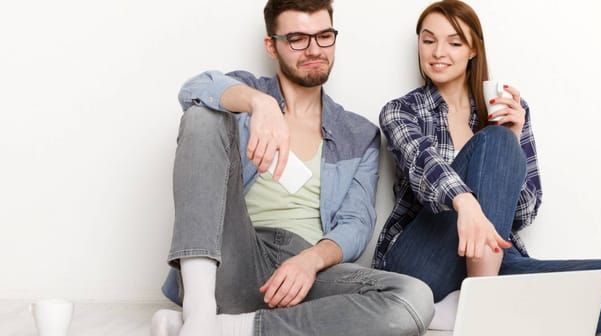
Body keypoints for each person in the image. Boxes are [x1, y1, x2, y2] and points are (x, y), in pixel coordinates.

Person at [150, 0, 434, 335]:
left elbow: (356, 223)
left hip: (306, 270)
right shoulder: (245, 98)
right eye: (297, 39)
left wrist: (310, 261)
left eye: (323, 36)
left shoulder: (358, 134)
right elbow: (194, 89)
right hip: (236, 258)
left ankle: (226, 329)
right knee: (202, 114)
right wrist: (260, 104)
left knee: (414, 297)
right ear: (272, 45)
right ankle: (198, 313)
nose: (314, 49)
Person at [373, 0, 601, 333]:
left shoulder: (508, 112)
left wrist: (513, 142)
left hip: (492, 260)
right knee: (495, 142)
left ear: (474, 49)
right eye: (428, 40)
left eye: (454, 42)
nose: (437, 51)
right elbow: (424, 167)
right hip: (421, 263)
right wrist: (467, 203)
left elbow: (524, 213)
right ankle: (484, 308)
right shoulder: (401, 112)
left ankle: (470, 307)